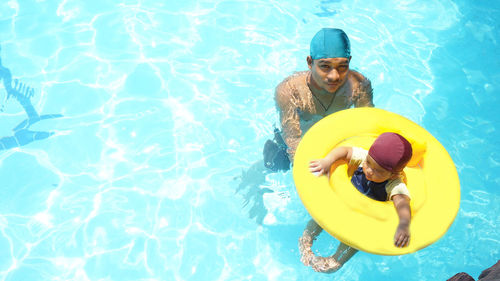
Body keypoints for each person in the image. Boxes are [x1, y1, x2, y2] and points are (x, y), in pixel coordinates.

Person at [236, 28, 374, 224]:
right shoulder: (290, 90)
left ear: (349, 61)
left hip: (335, 138)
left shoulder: (359, 86)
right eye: (325, 66)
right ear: (310, 62)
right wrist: (316, 184)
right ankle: (251, 178)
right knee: (275, 165)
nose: (334, 75)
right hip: (294, 141)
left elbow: (367, 125)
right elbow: (293, 139)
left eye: (342, 66)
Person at [299, 132, 413, 273]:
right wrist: (327, 161)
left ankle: (335, 260)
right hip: (341, 204)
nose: (369, 170)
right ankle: (306, 241)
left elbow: (402, 202)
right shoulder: (365, 158)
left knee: (354, 243)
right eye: (368, 163)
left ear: (394, 174)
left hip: (363, 220)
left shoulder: (394, 183)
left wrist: (403, 224)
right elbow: (345, 151)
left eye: (377, 171)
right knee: (319, 216)